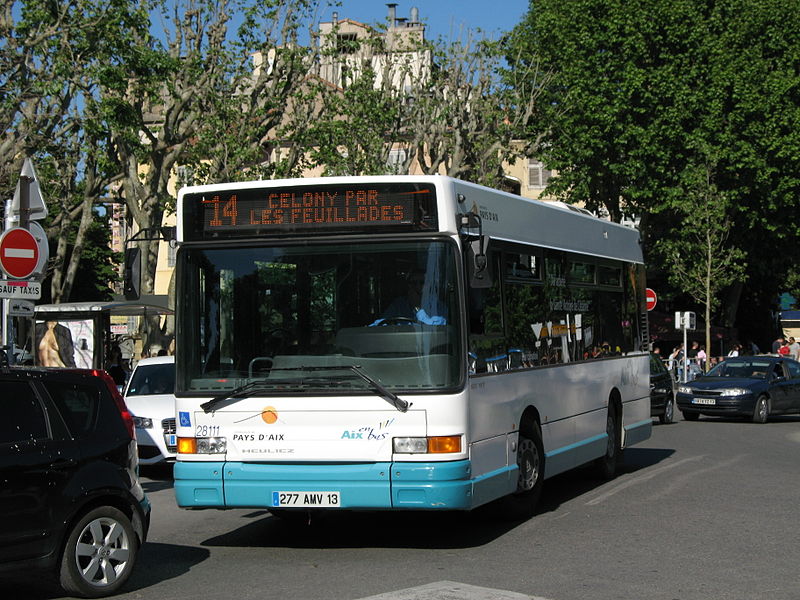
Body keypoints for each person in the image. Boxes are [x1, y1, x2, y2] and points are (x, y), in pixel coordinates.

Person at [372, 269, 446, 326]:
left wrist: (417, 308)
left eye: (422, 282)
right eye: (413, 283)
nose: (417, 287)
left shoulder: (437, 306)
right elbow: (381, 323)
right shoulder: (398, 305)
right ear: (408, 286)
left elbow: (433, 331)